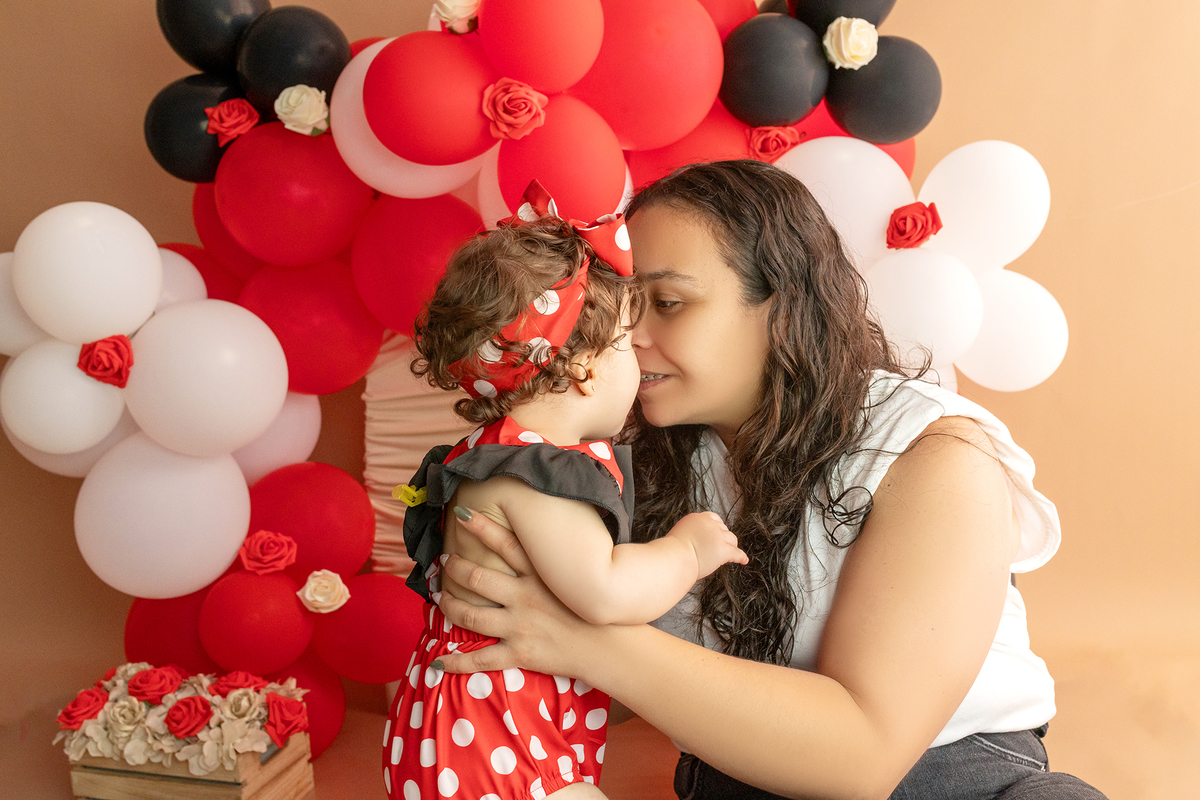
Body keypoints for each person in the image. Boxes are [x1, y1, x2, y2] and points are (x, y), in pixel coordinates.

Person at [428, 161, 1109, 800]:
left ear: (783, 307)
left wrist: (582, 638)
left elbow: (864, 755)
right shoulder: (630, 455)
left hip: (955, 778)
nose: (631, 337)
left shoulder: (937, 458)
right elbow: (554, 644)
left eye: (667, 302)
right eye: (626, 311)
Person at [382, 181, 748, 800]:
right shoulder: (542, 475)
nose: (642, 361)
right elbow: (602, 591)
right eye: (628, 346)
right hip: (496, 734)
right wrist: (688, 551)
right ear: (583, 369)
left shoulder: (490, 454)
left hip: (467, 721)